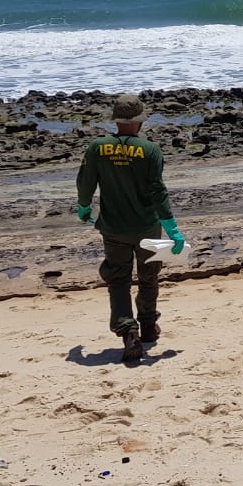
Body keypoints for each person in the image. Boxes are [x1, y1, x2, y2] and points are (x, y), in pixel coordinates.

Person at [76, 94, 184, 363]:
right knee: (149, 277)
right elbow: (158, 192)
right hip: (147, 226)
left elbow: (85, 181)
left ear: (116, 119)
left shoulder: (97, 147)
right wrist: (171, 227)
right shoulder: (150, 150)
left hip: (113, 228)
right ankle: (148, 325)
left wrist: (84, 206)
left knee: (118, 280)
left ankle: (129, 331)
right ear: (140, 120)